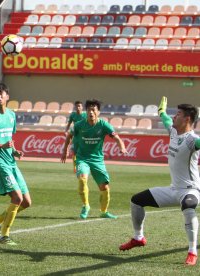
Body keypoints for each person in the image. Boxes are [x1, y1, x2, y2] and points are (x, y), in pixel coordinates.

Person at [119, 97, 200, 266]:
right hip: (173, 190)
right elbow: (165, 119)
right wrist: (161, 111)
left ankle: (192, 251)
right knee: (136, 201)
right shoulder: (172, 131)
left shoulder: (192, 140)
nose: (174, 116)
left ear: (187, 119)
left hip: (191, 190)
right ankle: (138, 238)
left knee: (188, 206)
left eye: (178, 114)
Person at [0, 83, 32, 245]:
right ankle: (4, 235)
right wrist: (0, 146)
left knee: (27, 202)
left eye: (1, 93)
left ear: (7, 96)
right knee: (16, 197)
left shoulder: (11, 115)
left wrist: (14, 151)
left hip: (11, 162)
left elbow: (9, 139)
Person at [61, 99, 128, 220]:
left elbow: (117, 138)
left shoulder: (103, 125)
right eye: (89, 110)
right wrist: (65, 150)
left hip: (97, 160)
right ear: (86, 112)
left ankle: (104, 211)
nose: (91, 112)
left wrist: (122, 147)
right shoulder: (79, 124)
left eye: (93, 110)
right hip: (82, 158)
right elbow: (69, 136)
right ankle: (86, 205)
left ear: (98, 112)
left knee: (105, 187)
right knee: (82, 179)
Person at [65, 101, 87, 173]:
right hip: (76, 135)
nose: (78, 107)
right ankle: (75, 166)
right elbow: (69, 124)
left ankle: (85, 166)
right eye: (76, 106)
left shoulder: (85, 115)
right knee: (74, 152)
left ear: (82, 107)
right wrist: (66, 131)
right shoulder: (73, 115)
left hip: (84, 136)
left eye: (79, 106)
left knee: (83, 152)